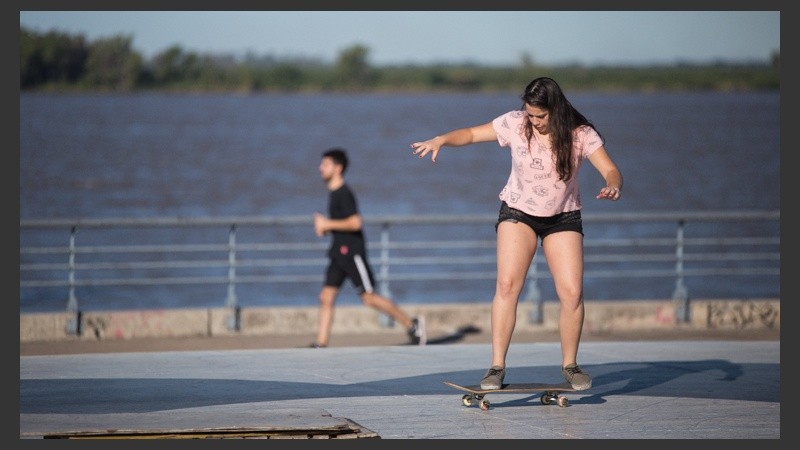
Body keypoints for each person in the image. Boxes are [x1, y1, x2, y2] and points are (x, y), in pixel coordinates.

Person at [410, 77, 623, 390]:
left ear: (556, 109)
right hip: (517, 213)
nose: (534, 121)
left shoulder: (580, 133)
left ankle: (570, 365)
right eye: (531, 114)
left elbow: (610, 169)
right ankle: (496, 367)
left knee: (572, 293)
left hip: (563, 217)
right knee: (507, 285)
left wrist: (613, 185)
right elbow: (471, 134)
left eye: (541, 116)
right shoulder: (516, 123)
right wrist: (442, 139)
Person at [311, 147, 426, 348]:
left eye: (325, 164)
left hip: (352, 253)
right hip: (338, 253)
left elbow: (356, 223)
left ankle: (411, 325)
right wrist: (327, 228)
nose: (320, 168)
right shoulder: (333, 193)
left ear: (338, 168)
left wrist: (327, 224)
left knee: (369, 298)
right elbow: (343, 223)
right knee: (326, 296)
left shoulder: (344, 193)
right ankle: (321, 344)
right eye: (321, 164)